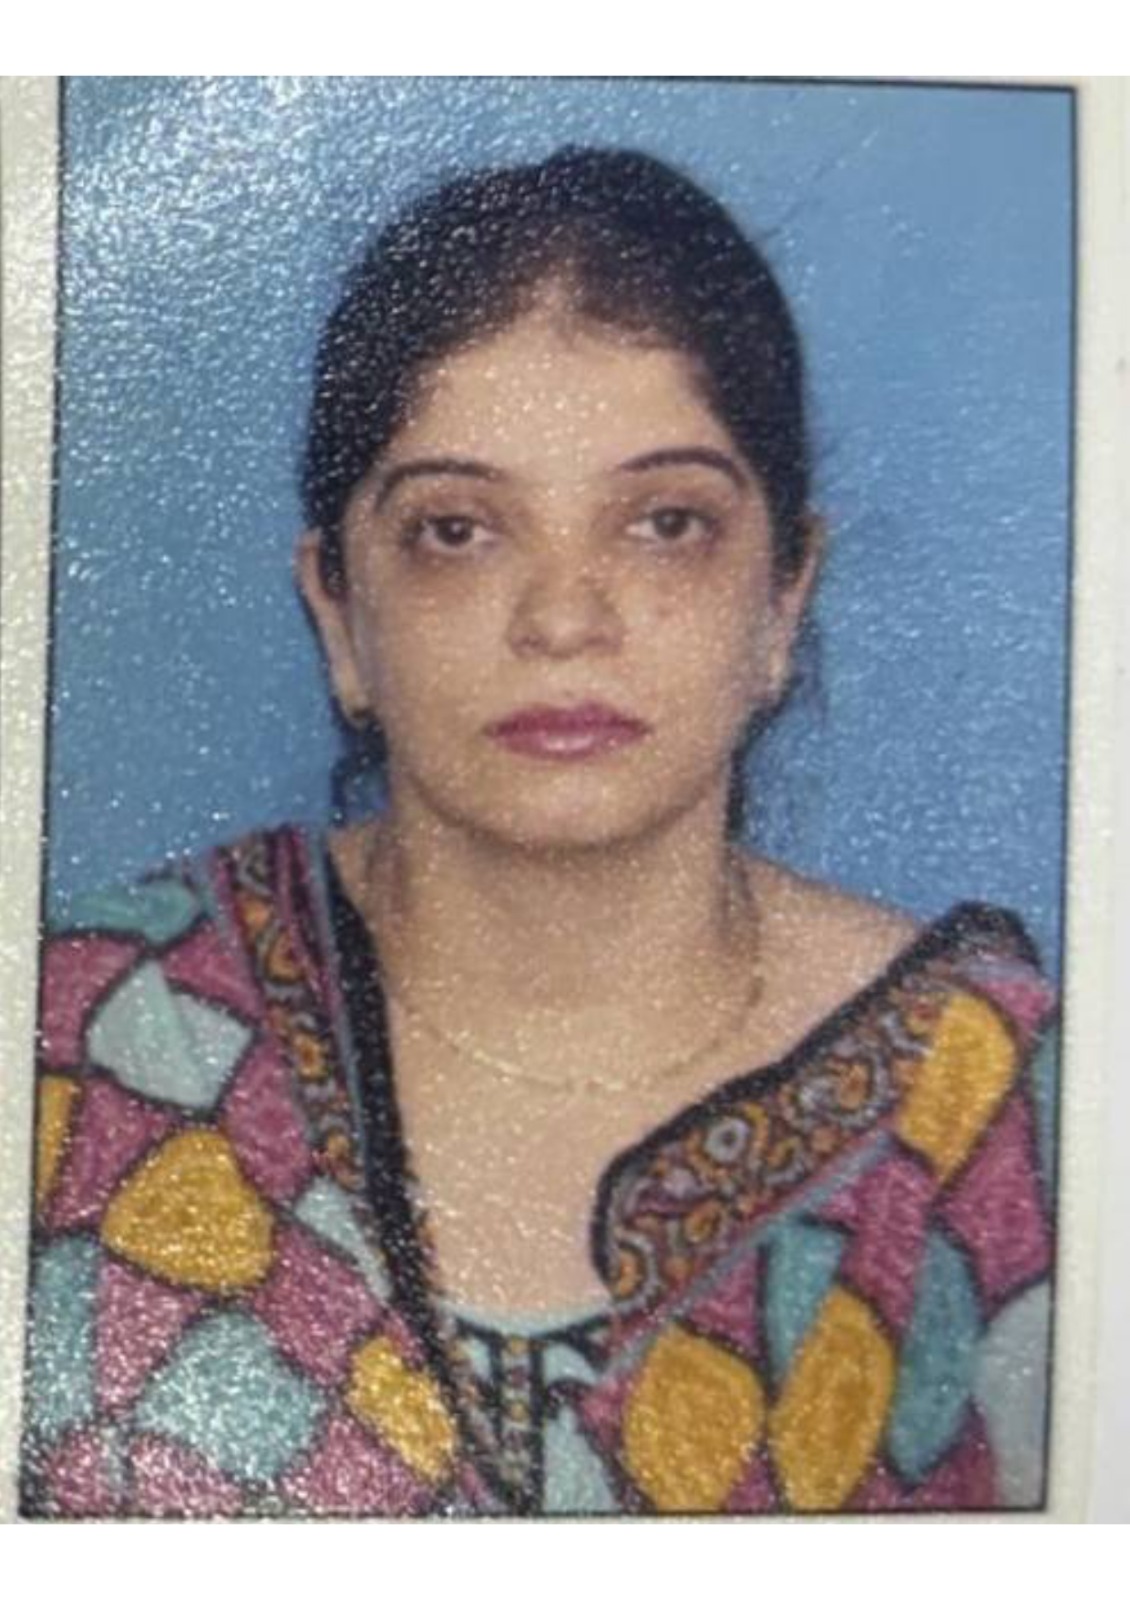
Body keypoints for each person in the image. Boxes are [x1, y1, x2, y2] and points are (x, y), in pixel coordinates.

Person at [22, 147, 1058, 1518]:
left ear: (782, 598)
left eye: (665, 523)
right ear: (339, 612)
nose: (563, 619)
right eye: (457, 531)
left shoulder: (996, 1108)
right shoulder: (83, 1045)